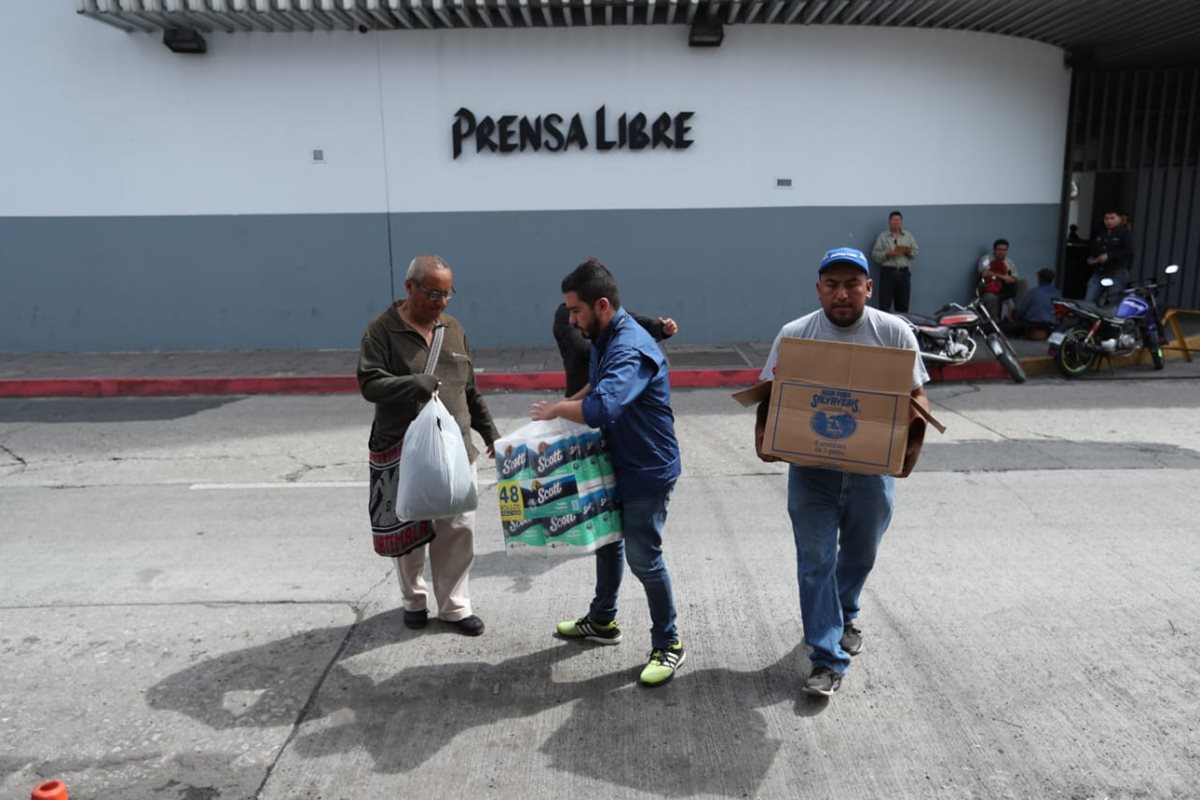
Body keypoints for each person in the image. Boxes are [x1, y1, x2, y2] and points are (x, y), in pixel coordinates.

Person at [754, 247, 929, 698]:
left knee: (860, 552)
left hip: (872, 471)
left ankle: (845, 610)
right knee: (815, 561)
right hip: (812, 470)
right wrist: (765, 438)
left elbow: (917, 396)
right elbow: (772, 395)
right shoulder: (796, 335)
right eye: (832, 284)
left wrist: (911, 447)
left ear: (869, 288)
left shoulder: (893, 333)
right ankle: (827, 657)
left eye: (853, 284)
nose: (842, 294)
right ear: (818, 289)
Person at [531, 258, 685, 687]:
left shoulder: (629, 347)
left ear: (600, 305)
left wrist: (562, 409)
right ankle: (602, 621)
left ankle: (669, 644)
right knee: (607, 542)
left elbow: (602, 408)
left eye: (575, 311)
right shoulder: (604, 335)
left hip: (648, 468)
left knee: (644, 557)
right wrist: (557, 410)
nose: (571, 320)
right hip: (618, 459)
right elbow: (593, 389)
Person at [357, 254, 500, 636]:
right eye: (433, 293)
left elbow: (469, 388)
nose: (441, 301)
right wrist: (410, 384)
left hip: (455, 450)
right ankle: (413, 599)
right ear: (410, 287)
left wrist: (490, 433)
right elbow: (369, 383)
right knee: (408, 529)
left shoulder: (453, 329)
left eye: (447, 293)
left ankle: (454, 606)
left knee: (458, 527)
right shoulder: (382, 330)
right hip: (403, 450)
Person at [554, 302, 678, 398]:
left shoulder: (605, 308)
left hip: (606, 393)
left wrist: (660, 328)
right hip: (583, 391)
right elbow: (582, 348)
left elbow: (631, 320)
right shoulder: (566, 312)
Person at [870, 210, 919, 313]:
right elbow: (875, 255)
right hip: (888, 273)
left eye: (898, 220)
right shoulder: (883, 237)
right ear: (889, 221)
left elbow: (915, 252)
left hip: (903, 273)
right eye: (893, 220)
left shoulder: (908, 236)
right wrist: (887, 254)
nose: (896, 222)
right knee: (884, 304)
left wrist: (908, 252)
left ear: (901, 221)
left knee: (903, 304)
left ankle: (902, 327)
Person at [1085, 210, 1134, 304]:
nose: (1108, 221)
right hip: (1099, 272)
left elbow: (1129, 251)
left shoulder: (1125, 233)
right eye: (1106, 218)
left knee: (1113, 301)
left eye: (1112, 218)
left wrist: (1109, 256)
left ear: (1119, 219)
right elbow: (1093, 249)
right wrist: (1091, 258)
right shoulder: (1100, 233)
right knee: (1089, 300)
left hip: (1117, 272)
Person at [1003, 268, 1060, 340]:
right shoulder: (1058, 293)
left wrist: (1014, 317)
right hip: (1051, 324)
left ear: (1040, 279)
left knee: (1008, 324)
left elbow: (1021, 312)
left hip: (1033, 323)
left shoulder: (1033, 292)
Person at [977, 238, 1020, 319]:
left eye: (1004, 250)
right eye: (999, 249)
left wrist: (1009, 279)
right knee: (990, 298)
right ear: (994, 249)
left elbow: (1014, 278)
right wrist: (1002, 277)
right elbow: (984, 273)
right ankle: (995, 324)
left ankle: (1018, 313)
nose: (1002, 252)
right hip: (990, 289)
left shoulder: (1009, 262)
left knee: (1023, 283)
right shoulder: (986, 259)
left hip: (1006, 289)